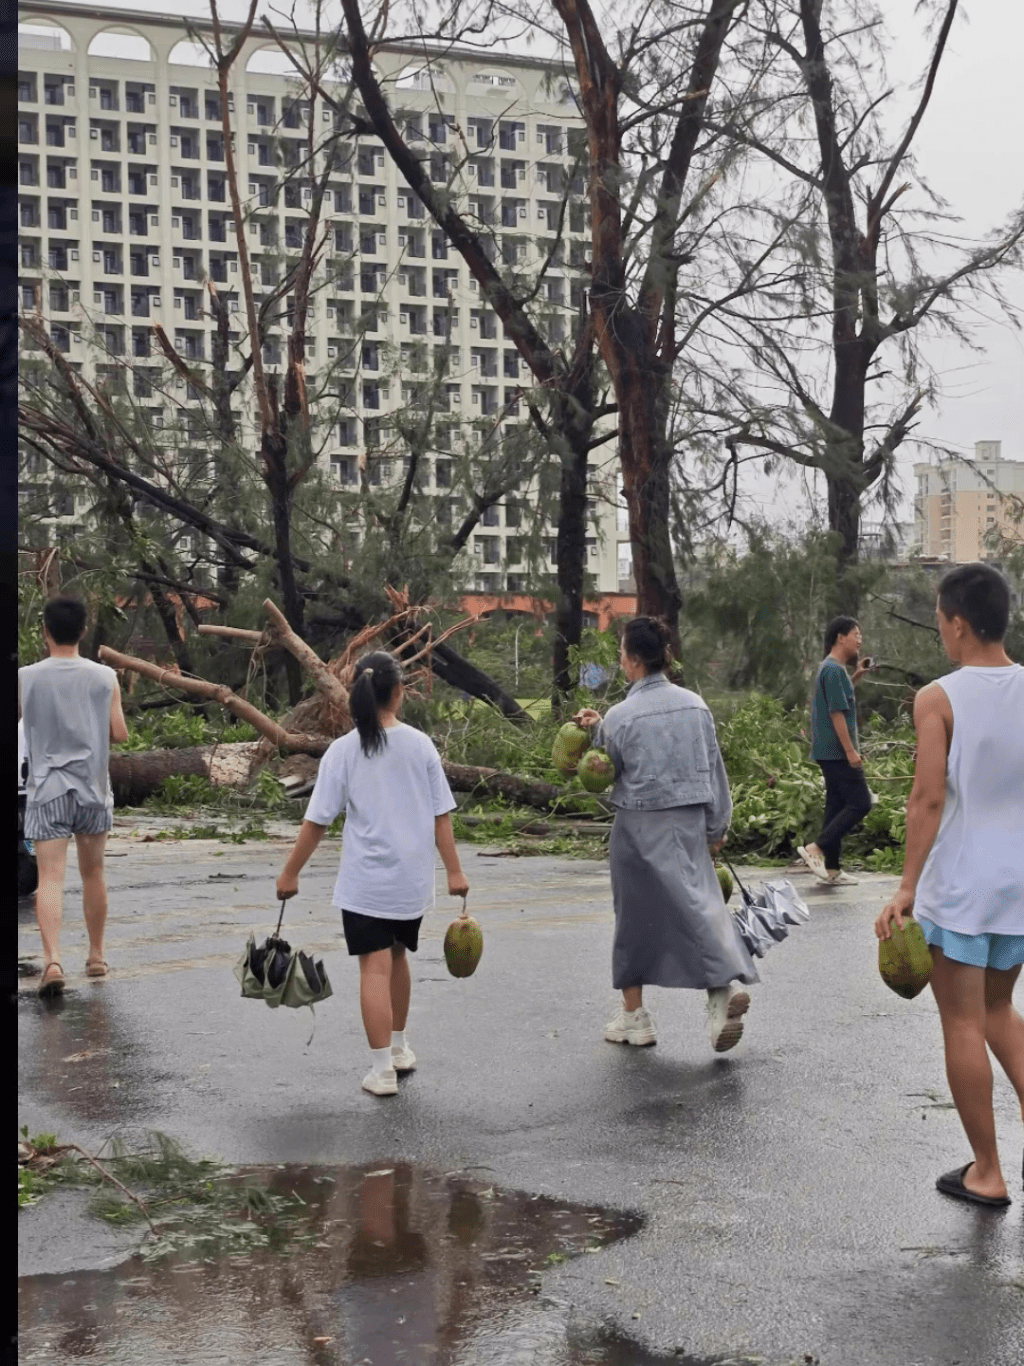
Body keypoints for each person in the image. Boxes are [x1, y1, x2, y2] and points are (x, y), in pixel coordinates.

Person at [875, 562, 1024, 1208]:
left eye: (940, 619)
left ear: (958, 623)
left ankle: (987, 1173)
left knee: (962, 1022)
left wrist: (906, 886)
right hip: (1019, 882)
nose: (939, 630)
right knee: (998, 1012)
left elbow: (926, 800)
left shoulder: (938, 698)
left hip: (962, 883)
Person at [276, 650, 469, 1097]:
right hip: (411, 881)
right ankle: (398, 1048)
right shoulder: (419, 745)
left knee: (373, 969)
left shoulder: (343, 751)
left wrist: (290, 873)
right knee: (397, 957)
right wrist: (454, 872)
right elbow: (442, 815)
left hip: (367, 884)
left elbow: (317, 820)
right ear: (398, 692)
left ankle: (382, 1070)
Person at [575, 617, 758, 1054]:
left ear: (634, 660)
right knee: (699, 903)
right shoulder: (696, 705)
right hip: (691, 821)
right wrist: (717, 826)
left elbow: (603, 768)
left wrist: (593, 731)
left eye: (621, 653)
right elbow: (715, 771)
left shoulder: (620, 717)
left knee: (634, 920)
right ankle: (719, 993)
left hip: (638, 826)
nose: (620, 660)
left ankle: (635, 1016)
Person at [18, 595, 128, 998]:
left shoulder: (25, 677)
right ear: (84, 630)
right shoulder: (105, 677)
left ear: (44, 631)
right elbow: (119, 733)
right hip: (93, 789)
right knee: (93, 874)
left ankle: (52, 961)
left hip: (46, 789)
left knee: (50, 877)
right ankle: (96, 956)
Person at [797, 615, 873, 885]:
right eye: (856, 634)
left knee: (836, 805)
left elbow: (838, 697)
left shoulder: (834, 669)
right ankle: (816, 848)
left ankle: (831, 869)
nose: (859, 639)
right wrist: (851, 752)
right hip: (836, 751)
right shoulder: (833, 670)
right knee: (861, 802)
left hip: (827, 750)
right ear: (840, 637)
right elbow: (837, 712)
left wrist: (856, 677)